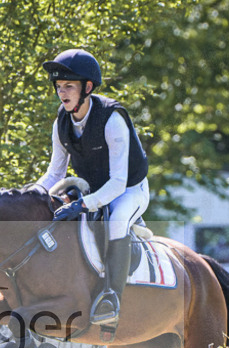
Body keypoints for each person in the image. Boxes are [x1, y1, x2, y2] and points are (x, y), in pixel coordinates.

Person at [35, 48, 150, 327]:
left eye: (69, 86)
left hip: (129, 189)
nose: (62, 93)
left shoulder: (112, 119)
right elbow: (55, 173)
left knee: (117, 220)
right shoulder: (61, 123)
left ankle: (112, 298)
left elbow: (118, 182)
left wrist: (82, 205)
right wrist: (29, 195)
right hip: (93, 190)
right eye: (59, 86)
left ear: (87, 88)